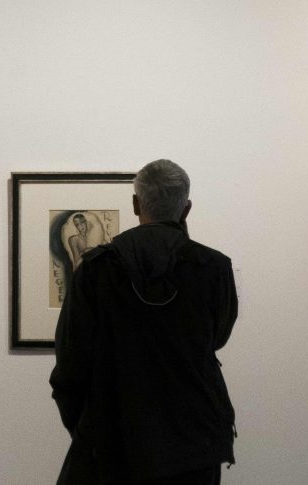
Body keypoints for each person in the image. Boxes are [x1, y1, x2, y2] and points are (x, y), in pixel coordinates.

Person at [50, 159, 238, 485]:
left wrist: (89, 430)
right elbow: (216, 339)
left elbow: (70, 366)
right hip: (193, 446)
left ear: (136, 203)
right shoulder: (212, 268)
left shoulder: (96, 269)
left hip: (113, 443)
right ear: (186, 208)